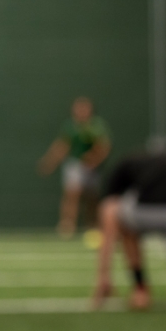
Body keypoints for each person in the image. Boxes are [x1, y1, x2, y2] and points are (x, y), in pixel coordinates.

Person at [94, 152, 166, 311]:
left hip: (146, 211)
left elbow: (108, 211)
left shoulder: (124, 167)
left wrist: (104, 274)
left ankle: (140, 288)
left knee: (119, 216)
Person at [37, 97, 112, 238]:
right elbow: (62, 146)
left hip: (92, 167)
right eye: (78, 108)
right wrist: (49, 162)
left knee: (91, 197)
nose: (81, 111)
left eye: (84, 108)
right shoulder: (70, 126)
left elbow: (104, 146)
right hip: (75, 163)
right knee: (72, 192)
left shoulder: (97, 126)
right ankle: (67, 226)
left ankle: (93, 226)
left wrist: (94, 159)